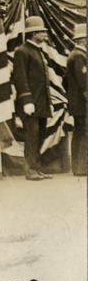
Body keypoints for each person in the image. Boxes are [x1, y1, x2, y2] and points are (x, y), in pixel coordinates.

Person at [12, 16, 55, 181]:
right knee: (32, 136)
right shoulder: (22, 51)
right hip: (30, 103)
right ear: (33, 33)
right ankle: (30, 170)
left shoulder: (39, 51)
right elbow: (20, 78)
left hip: (41, 103)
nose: (45, 35)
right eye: (42, 32)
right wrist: (26, 100)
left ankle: (37, 168)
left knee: (40, 135)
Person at [65, 23, 86, 177]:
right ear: (82, 40)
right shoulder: (79, 56)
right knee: (83, 132)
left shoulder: (75, 54)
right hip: (82, 102)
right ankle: (82, 167)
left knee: (80, 132)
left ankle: (78, 167)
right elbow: (83, 82)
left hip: (77, 102)